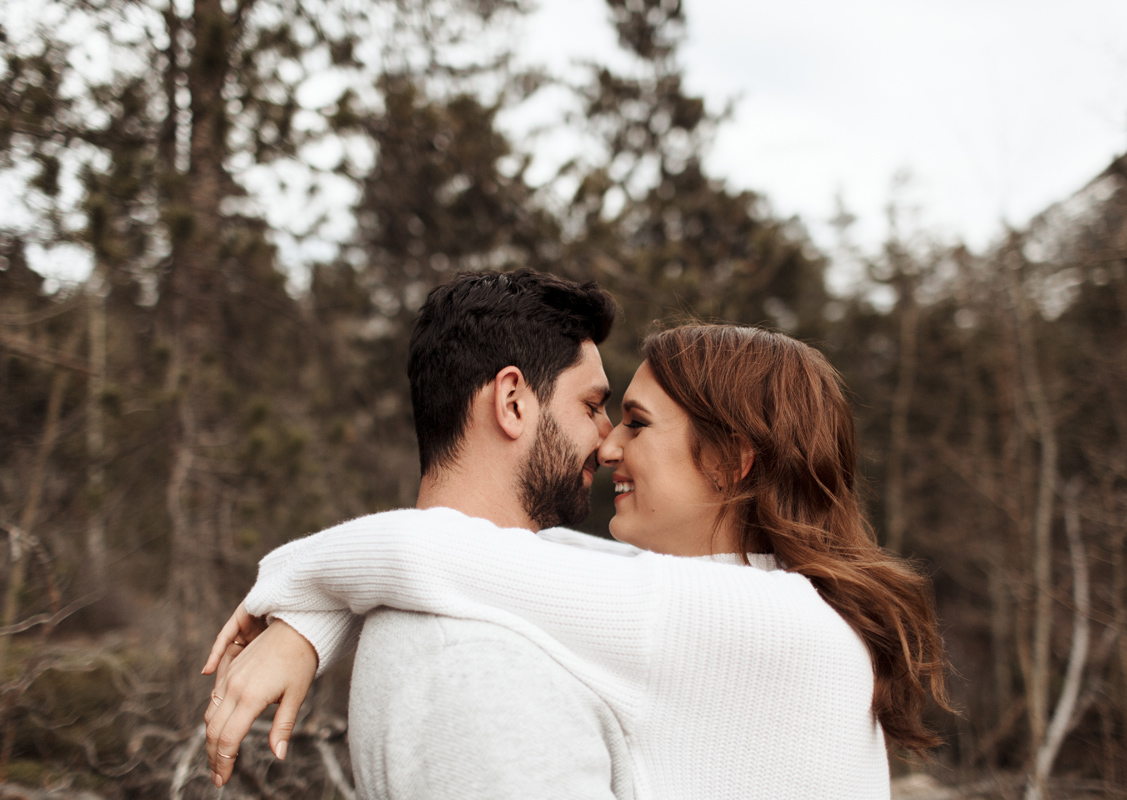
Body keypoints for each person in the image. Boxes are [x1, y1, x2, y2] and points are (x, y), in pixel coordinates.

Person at [207, 323, 952, 799]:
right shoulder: (750, 604)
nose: (609, 447)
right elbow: (487, 558)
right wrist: (313, 618)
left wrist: (289, 596)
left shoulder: (766, 621)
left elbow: (424, 551)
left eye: (637, 422)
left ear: (731, 459)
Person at [204, 268, 637, 798]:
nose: (609, 438)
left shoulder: (486, 620)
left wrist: (320, 604)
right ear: (513, 402)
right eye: (592, 406)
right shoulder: (478, 668)